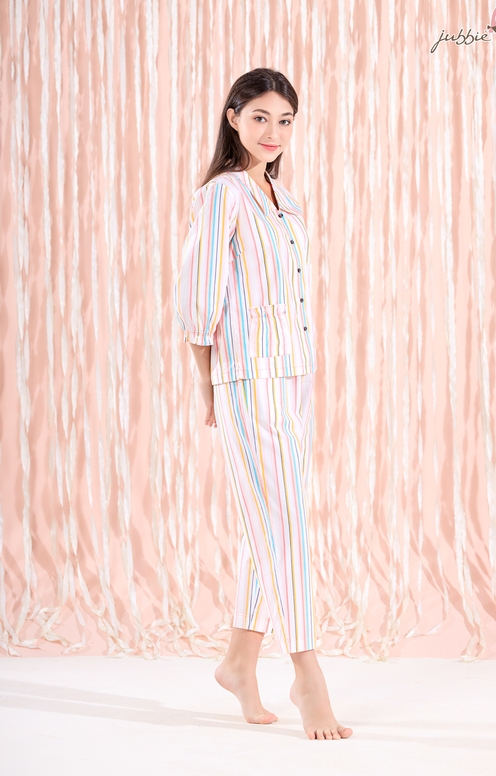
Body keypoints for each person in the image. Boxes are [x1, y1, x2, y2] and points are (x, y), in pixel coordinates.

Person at [174, 68, 353, 742]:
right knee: (285, 526)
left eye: (284, 120)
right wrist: (207, 385)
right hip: (247, 379)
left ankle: (239, 662)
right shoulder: (222, 195)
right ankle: (307, 673)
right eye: (259, 118)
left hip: (295, 376)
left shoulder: (285, 200)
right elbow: (198, 301)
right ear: (232, 118)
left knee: (271, 521)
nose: (273, 132)